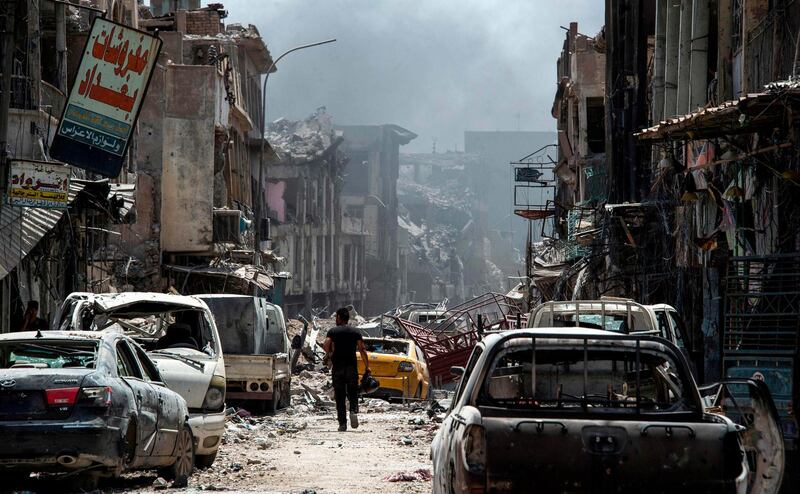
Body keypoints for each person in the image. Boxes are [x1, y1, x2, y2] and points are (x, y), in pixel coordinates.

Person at [323, 307, 370, 432]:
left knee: (340, 396)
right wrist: (367, 366)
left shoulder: (333, 331)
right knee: (353, 392)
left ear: (338, 317)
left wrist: (329, 354)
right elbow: (362, 349)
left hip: (338, 368)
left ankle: (342, 424)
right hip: (351, 368)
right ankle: (353, 411)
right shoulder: (355, 332)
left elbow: (326, 345)